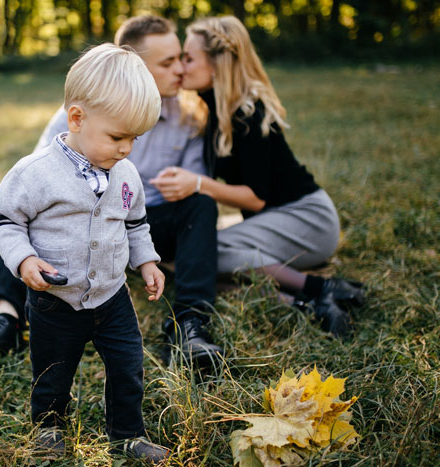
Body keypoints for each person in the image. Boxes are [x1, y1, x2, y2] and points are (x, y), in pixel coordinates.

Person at [0, 15, 223, 368]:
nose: (180, 71)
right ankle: (6, 319)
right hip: (78, 219)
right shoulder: (82, 113)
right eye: (168, 62)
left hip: (144, 219)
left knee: (201, 206)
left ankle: (190, 325)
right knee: (31, 218)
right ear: (134, 66)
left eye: (180, 59)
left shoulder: (188, 117)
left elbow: (188, 187)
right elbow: (35, 179)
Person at [0, 43, 169, 462]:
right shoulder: (35, 173)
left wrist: (147, 261)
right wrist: (24, 260)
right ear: (77, 118)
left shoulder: (126, 174)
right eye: (117, 137)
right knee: (52, 372)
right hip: (55, 301)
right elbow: (4, 219)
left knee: (128, 367)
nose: (126, 148)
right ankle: (48, 427)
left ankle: (127, 434)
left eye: (134, 139)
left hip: (112, 296)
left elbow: (135, 222)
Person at [151, 16, 364, 337]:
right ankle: (302, 303)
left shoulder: (247, 113)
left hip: (307, 219)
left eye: (189, 58)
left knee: (205, 252)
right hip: (275, 220)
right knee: (195, 262)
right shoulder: (212, 111)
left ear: (218, 65)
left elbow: (256, 197)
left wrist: (196, 184)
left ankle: (322, 287)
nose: (181, 66)